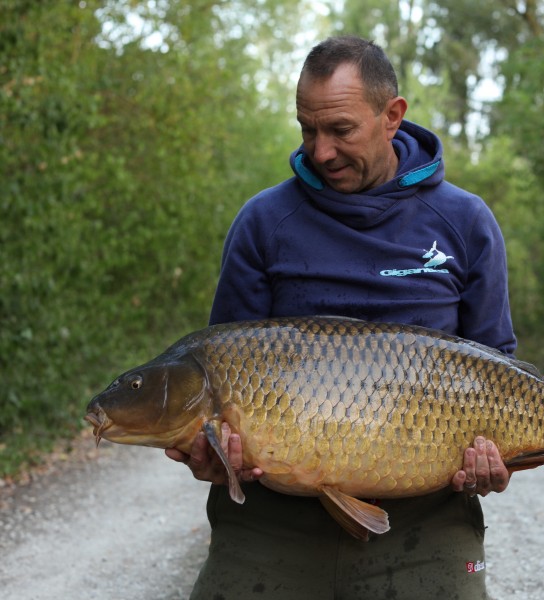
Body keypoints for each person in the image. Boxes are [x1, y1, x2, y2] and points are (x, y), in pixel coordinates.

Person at [166, 35, 517, 599]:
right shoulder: (263, 222)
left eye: (340, 130)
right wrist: (212, 457)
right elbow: (220, 368)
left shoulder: (464, 222)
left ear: (392, 117)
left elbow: (496, 367)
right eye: (308, 129)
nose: (320, 152)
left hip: (426, 515)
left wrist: (491, 462)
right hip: (271, 516)